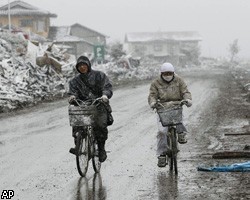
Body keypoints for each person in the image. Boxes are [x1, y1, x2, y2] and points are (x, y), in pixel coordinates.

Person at [68, 55, 113, 162]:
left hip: (98, 104)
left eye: (84, 65)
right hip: (82, 105)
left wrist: (105, 96)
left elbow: (107, 87)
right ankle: (78, 144)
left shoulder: (99, 76)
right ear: (77, 68)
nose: (82, 67)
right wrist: (72, 97)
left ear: (88, 65)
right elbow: (72, 92)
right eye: (80, 66)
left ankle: (101, 149)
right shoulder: (75, 81)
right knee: (77, 123)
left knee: (100, 127)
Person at [148, 62, 192, 167]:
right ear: (161, 73)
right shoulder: (156, 83)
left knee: (179, 120)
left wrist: (187, 100)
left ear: (173, 73)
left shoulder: (179, 80)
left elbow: (185, 91)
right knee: (161, 132)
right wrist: (153, 103)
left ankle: (181, 133)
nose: (168, 75)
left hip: (176, 105)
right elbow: (152, 95)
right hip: (162, 107)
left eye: (170, 73)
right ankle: (162, 154)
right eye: (165, 73)